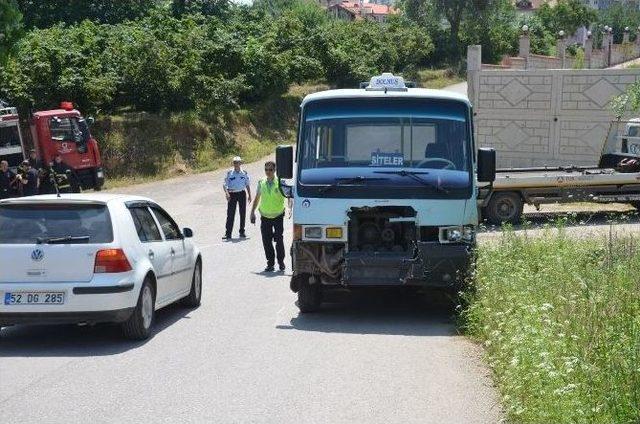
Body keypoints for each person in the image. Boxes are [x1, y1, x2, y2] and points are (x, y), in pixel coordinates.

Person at [250, 161, 291, 272]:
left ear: (275, 170)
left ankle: (281, 262)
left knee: (279, 240)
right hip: (265, 216)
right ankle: (270, 263)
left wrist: (290, 208)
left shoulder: (280, 182)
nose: (268, 172)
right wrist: (252, 212)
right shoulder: (261, 182)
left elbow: (288, 196)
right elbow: (257, 198)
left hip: (278, 216)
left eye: (270, 170)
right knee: (266, 241)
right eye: (266, 170)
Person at [222, 156, 251, 240]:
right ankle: (228, 233)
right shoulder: (229, 173)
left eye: (237, 162)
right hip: (232, 194)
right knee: (230, 214)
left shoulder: (244, 173)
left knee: (242, 213)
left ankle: (242, 232)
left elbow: (247, 184)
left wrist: (249, 195)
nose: (236, 164)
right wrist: (227, 193)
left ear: (240, 163)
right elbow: (224, 185)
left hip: (242, 193)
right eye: (234, 162)